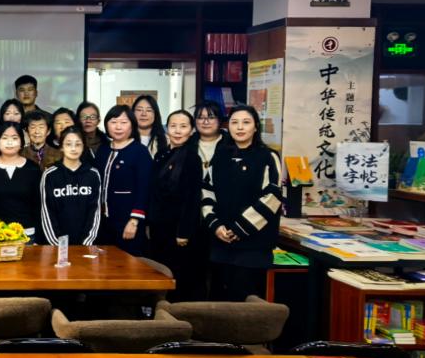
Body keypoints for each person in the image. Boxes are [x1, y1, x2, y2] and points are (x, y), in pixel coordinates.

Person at [202, 105, 283, 302]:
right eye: (234, 122)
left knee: (247, 302)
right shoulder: (221, 155)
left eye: (246, 122)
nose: (239, 127)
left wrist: (240, 228)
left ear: (256, 127)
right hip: (221, 243)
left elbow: (272, 197)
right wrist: (215, 225)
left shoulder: (268, 156)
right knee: (219, 300)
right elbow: (207, 191)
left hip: (253, 247)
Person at [147, 110, 206, 300]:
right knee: (160, 272)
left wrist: (184, 232)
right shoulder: (161, 154)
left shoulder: (192, 158)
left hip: (179, 230)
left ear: (192, 130)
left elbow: (192, 197)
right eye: (173, 126)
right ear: (167, 129)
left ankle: (176, 312)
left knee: (178, 275)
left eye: (183, 126)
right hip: (159, 226)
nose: (178, 131)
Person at [93, 105, 152, 256]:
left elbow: (144, 188)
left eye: (124, 122)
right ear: (106, 124)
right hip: (103, 222)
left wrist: (134, 221)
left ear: (132, 125)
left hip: (128, 221)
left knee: (129, 262)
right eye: (113, 122)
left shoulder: (140, 151)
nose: (118, 127)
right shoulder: (103, 150)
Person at [39, 126, 102, 246]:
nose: (73, 148)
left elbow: (95, 211)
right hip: (57, 244)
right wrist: (58, 243)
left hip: (86, 244)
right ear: (61, 147)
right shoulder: (50, 175)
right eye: (68, 144)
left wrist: (86, 243)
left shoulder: (93, 174)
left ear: (83, 147)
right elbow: (47, 211)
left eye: (78, 144)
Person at [194, 100, 226, 178]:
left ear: (219, 120)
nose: (206, 122)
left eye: (211, 117)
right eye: (201, 118)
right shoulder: (187, 144)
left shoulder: (230, 143)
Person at [133, 94, 167, 159]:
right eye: (139, 110)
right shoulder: (124, 139)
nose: (144, 114)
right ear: (132, 113)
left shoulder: (167, 140)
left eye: (149, 110)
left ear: (155, 114)